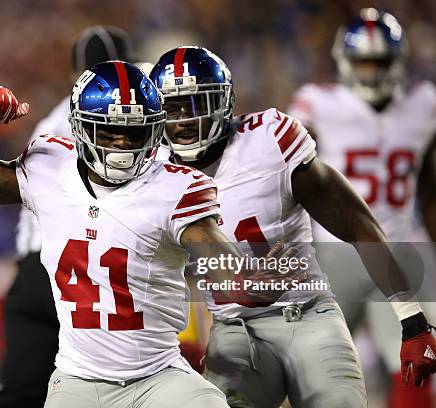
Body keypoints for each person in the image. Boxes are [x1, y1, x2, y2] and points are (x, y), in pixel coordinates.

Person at [0, 60, 304, 407]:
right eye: (109, 131)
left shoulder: (174, 187)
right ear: (80, 128)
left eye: (133, 132)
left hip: (158, 377)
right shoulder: (48, 170)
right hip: (77, 379)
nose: (122, 143)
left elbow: (211, 250)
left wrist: (245, 279)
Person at [149, 45, 436, 407]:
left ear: (224, 103)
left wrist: (412, 320)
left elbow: (355, 220)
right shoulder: (152, 176)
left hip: (307, 315)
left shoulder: (269, 142)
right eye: (173, 108)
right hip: (236, 330)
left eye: (196, 104)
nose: (185, 120)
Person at [288, 9, 436, 407]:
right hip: (335, 251)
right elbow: (285, 172)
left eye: (379, 62)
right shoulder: (317, 104)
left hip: (405, 250)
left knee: (418, 364)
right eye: (363, 62)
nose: (371, 71)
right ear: (344, 61)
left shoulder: (425, 103)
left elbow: (429, 187)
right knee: (309, 365)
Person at [0, 25, 135, 408]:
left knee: (21, 395)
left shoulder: (50, 123)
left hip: (32, 273)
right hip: (89, 272)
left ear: (76, 75)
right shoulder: (131, 114)